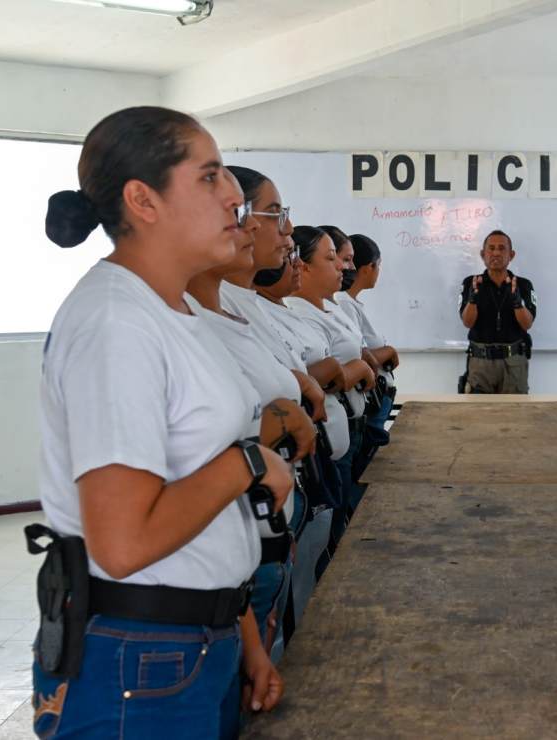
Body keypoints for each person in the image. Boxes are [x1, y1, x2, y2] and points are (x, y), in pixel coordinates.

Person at [33, 106, 290, 738]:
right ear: (143, 200)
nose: (234, 196)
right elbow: (124, 546)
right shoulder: (117, 323)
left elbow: (203, 497)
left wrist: (244, 633)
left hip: (198, 639)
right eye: (209, 178)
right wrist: (250, 463)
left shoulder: (176, 313)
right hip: (138, 657)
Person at [184, 178, 321, 667]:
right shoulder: (156, 320)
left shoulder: (235, 303)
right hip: (200, 589)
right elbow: (188, 458)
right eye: (271, 216)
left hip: (249, 551)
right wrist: (271, 431)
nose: (287, 236)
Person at [286, 227, 376, 530]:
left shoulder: (328, 307)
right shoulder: (295, 311)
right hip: (319, 449)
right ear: (303, 265)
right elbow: (319, 373)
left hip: (343, 434)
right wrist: (351, 370)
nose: (343, 266)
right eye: (333, 258)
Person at [335, 233, 400, 479]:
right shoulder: (343, 303)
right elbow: (358, 355)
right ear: (368, 267)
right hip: (362, 407)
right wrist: (389, 352)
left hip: (373, 402)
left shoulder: (349, 303)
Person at [458, 230, 538, 394]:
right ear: (482, 254)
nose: (496, 252)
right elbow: (467, 322)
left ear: (511, 254)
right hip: (480, 362)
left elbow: (527, 323)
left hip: (514, 362)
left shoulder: (523, 285)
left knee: (514, 415)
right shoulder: (471, 283)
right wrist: (473, 300)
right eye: (491, 248)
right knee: (477, 415)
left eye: (502, 248)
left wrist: (517, 302)